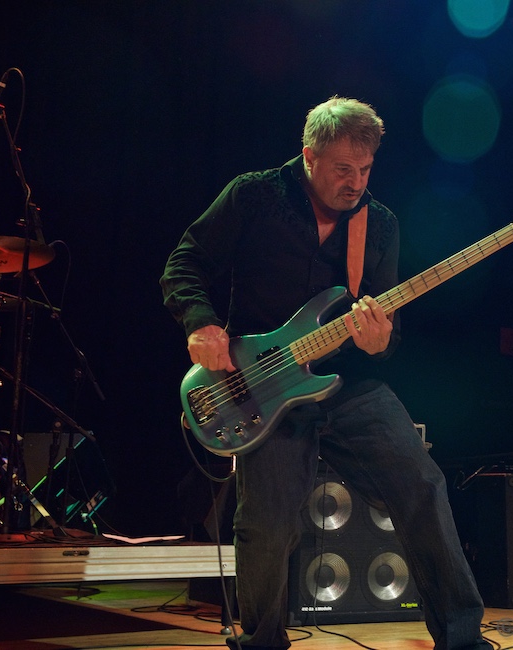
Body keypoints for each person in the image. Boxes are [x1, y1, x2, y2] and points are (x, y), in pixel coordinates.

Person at [160, 96, 493, 650]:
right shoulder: (254, 195)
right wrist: (200, 324)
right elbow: (184, 262)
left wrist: (379, 339)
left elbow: (385, 337)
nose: (356, 182)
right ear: (309, 156)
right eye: (343, 169)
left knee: (423, 485)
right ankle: (262, 640)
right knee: (266, 521)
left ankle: (462, 637)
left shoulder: (379, 225)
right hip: (256, 387)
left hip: (347, 386)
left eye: (365, 170)